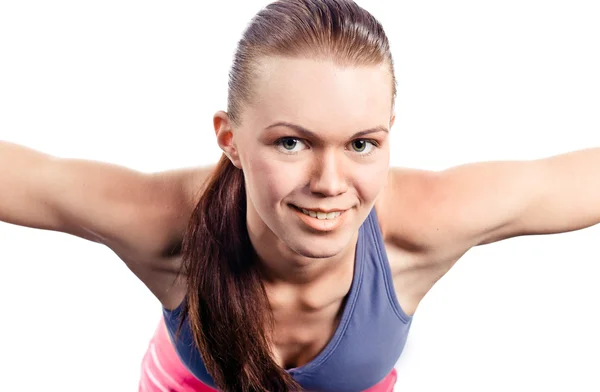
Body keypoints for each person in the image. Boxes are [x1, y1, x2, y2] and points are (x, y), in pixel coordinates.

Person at [1, 0, 598, 391]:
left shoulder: (422, 224)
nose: (331, 184)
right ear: (229, 139)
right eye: (292, 143)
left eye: (362, 144)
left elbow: (563, 182)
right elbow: (35, 177)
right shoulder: (165, 226)